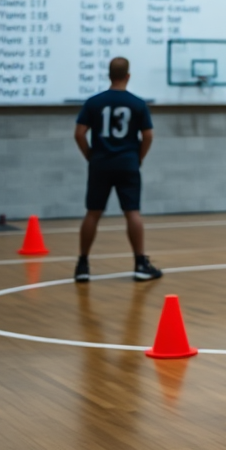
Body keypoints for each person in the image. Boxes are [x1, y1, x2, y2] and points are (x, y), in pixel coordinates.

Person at [73, 57, 162, 283]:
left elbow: (79, 133)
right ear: (128, 76)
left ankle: (83, 264)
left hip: (100, 162)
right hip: (127, 163)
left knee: (93, 212)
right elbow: (148, 135)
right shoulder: (138, 104)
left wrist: (90, 156)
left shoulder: (94, 102)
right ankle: (140, 264)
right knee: (132, 212)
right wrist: (137, 158)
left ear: (109, 75)